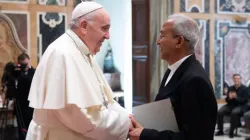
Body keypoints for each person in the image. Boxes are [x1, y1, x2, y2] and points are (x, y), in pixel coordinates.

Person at [26, 1, 131, 140]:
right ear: (84, 26)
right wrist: (124, 124)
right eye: (104, 29)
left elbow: (106, 100)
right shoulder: (62, 54)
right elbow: (80, 116)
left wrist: (126, 116)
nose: (108, 36)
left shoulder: (84, 53)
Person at [128, 14, 218, 140]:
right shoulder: (174, 70)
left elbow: (196, 137)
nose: (158, 41)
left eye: (162, 36)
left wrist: (145, 135)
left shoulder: (195, 80)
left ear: (179, 41)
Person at [15, 53, 35, 140]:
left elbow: (31, 83)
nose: (24, 66)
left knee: (30, 126)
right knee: (20, 127)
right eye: (22, 64)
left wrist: (21, 75)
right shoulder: (16, 72)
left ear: (29, 61)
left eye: (26, 64)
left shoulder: (34, 72)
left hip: (30, 105)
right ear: (19, 63)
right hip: (19, 104)